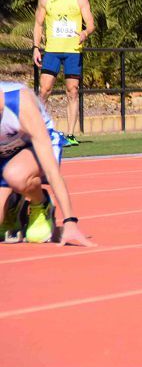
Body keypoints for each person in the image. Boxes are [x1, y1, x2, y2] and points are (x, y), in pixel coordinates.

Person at [0, 81, 94, 246]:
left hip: (34, 145)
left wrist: (69, 221)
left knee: (14, 175)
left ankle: (40, 203)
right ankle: (13, 204)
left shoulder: (20, 104)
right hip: (5, 151)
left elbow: (52, 172)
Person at [32, 0, 95, 146]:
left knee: (72, 91)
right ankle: (37, 131)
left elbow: (90, 23)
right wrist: (36, 47)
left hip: (73, 52)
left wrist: (85, 33)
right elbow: (38, 24)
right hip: (52, 50)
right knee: (44, 90)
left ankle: (70, 134)